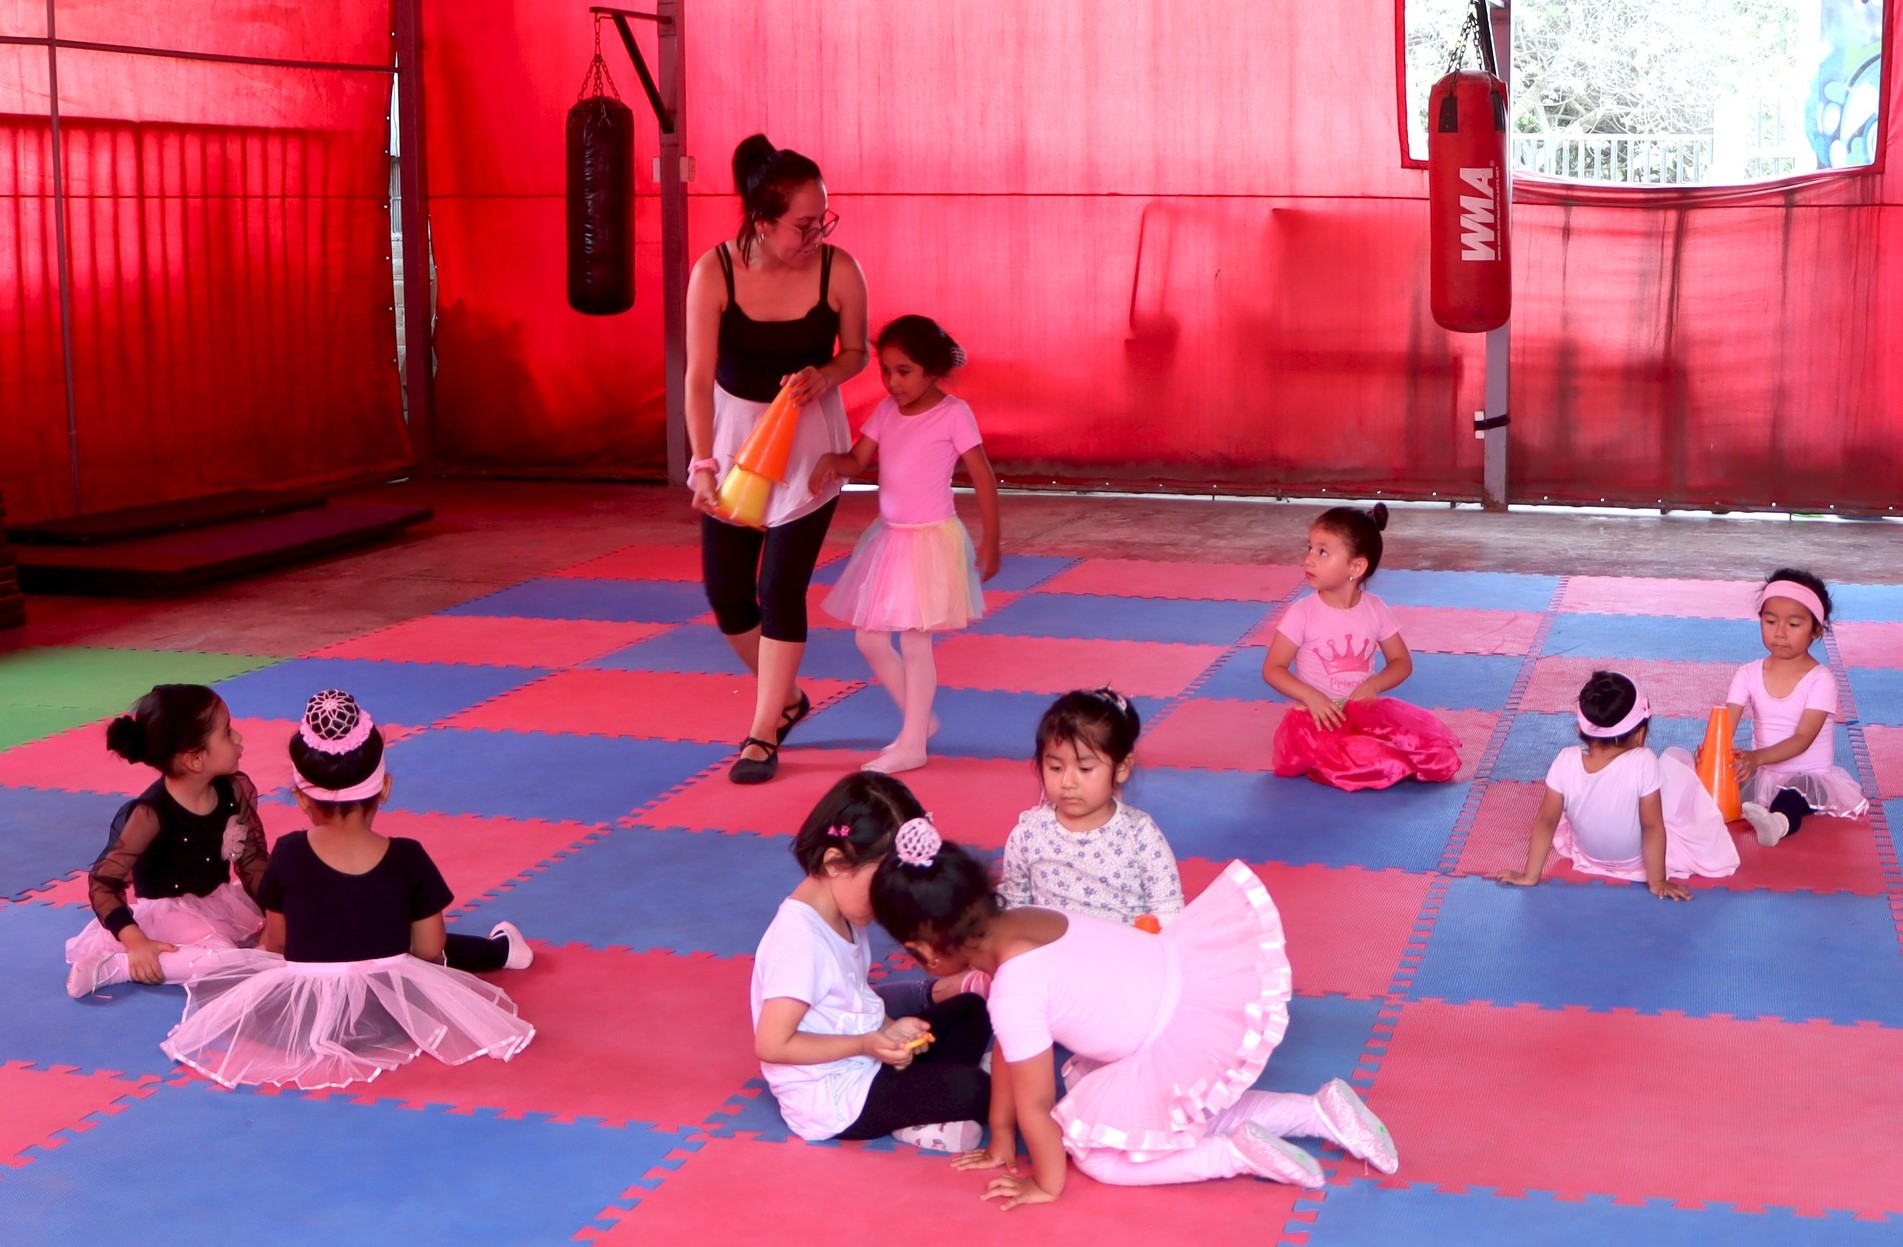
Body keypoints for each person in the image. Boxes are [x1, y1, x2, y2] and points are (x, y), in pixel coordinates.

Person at [871, 826, 1399, 1209]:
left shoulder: (1015, 989)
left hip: (1157, 1041)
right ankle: (1318, 1113)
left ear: (923, 951)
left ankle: (1233, 1156)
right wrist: (1001, 1137)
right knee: (1180, 1116)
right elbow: (1012, 1053)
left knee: (1100, 1159)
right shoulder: (1028, 920)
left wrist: (1046, 1184)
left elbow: (1037, 1098)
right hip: (1183, 991)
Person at [160, 690, 534, 1089]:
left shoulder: (289, 852)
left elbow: (276, 942)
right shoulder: (408, 856)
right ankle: (502, 951)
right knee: (413, 946)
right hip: (393, 1019)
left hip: (306, 1019)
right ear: (384, 788)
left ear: (302, 799)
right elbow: (429, 950)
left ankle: (499, 951)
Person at [685, 133, 870, 785]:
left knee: (778, 586)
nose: (815, 233)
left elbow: (857, 353)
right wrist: (703, 462)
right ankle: (786, 697)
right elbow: (698, 375)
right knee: (727, 593)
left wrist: (827, 373)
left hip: (808, 444)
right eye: (801, 224)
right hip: (736, 439)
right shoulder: (714, 271)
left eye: (823, 219)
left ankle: (762, 731)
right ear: (760, 223)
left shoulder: (837, 269)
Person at [751, 773, 991, 1153]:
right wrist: (867, 1042)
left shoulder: (841, 911)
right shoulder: (800, 943)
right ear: (835, 862)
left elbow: (850, 1000)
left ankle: (940, 1087)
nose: (888, 904)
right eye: (880, 887)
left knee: (972, 1010)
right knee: (977, 1089)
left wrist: (889, 1029)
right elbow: (772, 1044)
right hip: (835, 1100)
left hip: (866, 1059)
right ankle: (917, 1123)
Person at [814, 315, 1001, 773]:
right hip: (891, 539)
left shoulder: (953, 413)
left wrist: (992, 540)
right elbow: (858, 461)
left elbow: (983, 477)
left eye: (904, 371)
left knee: (916, 644)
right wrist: (828, 461)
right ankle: (920, 722)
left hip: (931, 541)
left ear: (932, 370)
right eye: (886, 370)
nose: (892, 382)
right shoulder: (884, 411)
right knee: (870, 639)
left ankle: (913, 742)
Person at [66, 685, 267, 998]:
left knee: (274, 936)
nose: (239, 738)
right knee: (225, 964)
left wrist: (277, 909)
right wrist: (135, 940)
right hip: (167, 916)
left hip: (217, 903)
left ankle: (234, 955)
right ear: (195, 760)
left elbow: (252, 862)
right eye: (227, 733)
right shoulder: (150, 813)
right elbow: (103, 883)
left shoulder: (233, 791)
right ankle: (117, 966)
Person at [1261, 503, 1460, 790]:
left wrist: (1373, 687)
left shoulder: (1375, 609)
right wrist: (1312, 697)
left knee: (1432, 755)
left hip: (1362, 714)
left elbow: (1401, 662)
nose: (1308, 560)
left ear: (1356, 567)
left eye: (1322, 552)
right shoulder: (1302, 613)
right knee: (1371, 761)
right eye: (1309, 548)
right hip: (1316, 722)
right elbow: (1273, 669)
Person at [1497, 671, 1738, 897]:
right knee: (1677, 763)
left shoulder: (1565, 759)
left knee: (1557, 809)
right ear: (1640, 734)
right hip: (1636, 863)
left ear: (1582, 728)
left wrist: (1530, 876)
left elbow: (1545, 821)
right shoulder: (1644, 761)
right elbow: (1652, 827)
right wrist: (1657, 882)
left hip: (1588, 859)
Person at [998, 688, 1183, 926]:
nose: (1067, 782)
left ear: (1122, 768)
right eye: (1056, 768)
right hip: (1052, 958)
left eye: (1085, 769)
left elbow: (1169, 910)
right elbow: (1012, 910)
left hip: (1125, 957)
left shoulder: (1139, 835)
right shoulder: (1028, 833)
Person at [1721, 569, 1869, 845]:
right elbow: (1726, 722)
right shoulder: (1747, 673)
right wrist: (1713, 752)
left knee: (1792, 796)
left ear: (1816, 630)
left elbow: (1803, 739)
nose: (1779, 633)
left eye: (1794, 624)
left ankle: (1776, 825)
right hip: (1762, 772)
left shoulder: (1820, 679)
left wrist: (1756, 758)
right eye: (1770, 621)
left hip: (1809, 777)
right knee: (1720, 780)